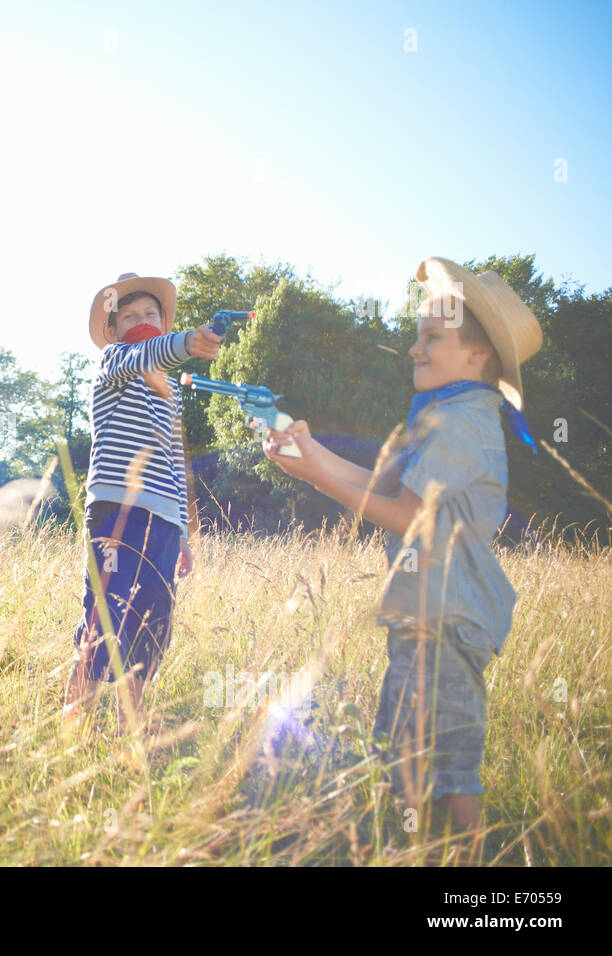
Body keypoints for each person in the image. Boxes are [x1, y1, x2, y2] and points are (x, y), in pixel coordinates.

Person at [263, 257, 542, 852]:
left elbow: (412, 518)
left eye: (432, 338)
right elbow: (381, 491)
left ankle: (474, 863)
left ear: (478, 356)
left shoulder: (463, 421)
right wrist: (311, 461)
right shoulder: (441, 415)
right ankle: (419, 849)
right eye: (416, 335)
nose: (414, 349)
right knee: (408, 751)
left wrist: (320, 473)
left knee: (444, 760)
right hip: (426, 615)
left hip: (448, 618)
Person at [62, 273, 223, 731]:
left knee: (153, 624)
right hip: (117, 513)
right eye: (130, 316)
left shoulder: (169, 395)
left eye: (150, 313)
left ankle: (128, 727)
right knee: (104, 619)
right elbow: (146, 353)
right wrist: (188, 341)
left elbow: (175, 462)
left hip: (165, 524)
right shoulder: (115, 361)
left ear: (162, 318)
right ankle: (71, 731)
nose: (141, 320)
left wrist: (185, 537)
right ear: (112, 331)